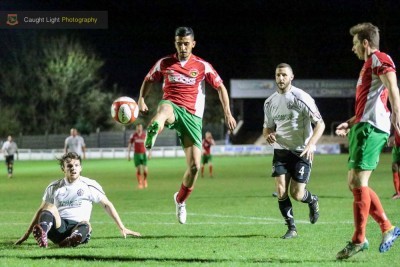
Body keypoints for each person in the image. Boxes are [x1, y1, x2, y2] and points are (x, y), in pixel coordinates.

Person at [137, 26, 236, 224]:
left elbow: (220, 87)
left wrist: (227, 112)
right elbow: (148, 79)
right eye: (179, 43)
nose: (182, 47)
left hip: (193, 118)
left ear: (193, 44)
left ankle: (180, 200)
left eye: (186, 43)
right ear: (175, 43)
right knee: (164, 111)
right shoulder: (165, 63)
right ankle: (153, 133)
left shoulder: (202, 66)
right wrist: (140, 99)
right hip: (171, 106)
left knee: (194, 167)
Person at [335, 22, 400, 260]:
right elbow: (368, 104)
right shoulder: (367, 66)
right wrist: (350, 122)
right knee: (354, 182)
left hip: (372, 129)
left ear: (365, 43)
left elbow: (393, 87)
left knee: (360, 182)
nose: (352, 48)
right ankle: (387, 228)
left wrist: (397, 119)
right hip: (362, 126)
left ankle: (359, 239)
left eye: (354, 44)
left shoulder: (379, 58)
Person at [14, 152, 141, 248]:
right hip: (59, 226)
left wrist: (122, 227)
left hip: (78, 225)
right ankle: (43, 233)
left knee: (87, 224)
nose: (73, 168)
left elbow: (107, 204)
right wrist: (27, 233)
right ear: (63, 169)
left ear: (81, 168)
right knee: (49, 207)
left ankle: (73, 238)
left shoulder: (90, 185)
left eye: (76, 165)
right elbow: (41, 210)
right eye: (69, 166)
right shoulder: (54, 187)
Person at [263, 63, 324, 239]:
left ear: (291, 77)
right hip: (281, 151)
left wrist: (312, 144)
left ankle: (312, 200)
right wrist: (268, 135)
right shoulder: (269, 102)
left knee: (297, 194)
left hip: (301, 152)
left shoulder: (302, 97)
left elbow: (320, 123)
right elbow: (267, 128)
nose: (280, 78)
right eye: (277, 75)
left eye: (284, 75)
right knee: (281, 191)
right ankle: (292, 228)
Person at [127, 123, 150, 189]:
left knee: (145, 170)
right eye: (138, 127)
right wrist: (128, 154)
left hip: (144, 154)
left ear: (142, 128)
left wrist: (150, 153)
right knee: (139, 169)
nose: (139, 128)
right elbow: (130, 145)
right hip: (136, 154)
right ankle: (140, 183)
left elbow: (148, 144)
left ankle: (145, 180)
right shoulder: (133, 135)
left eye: (140, 127)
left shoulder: (144, 135)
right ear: (136, 128)